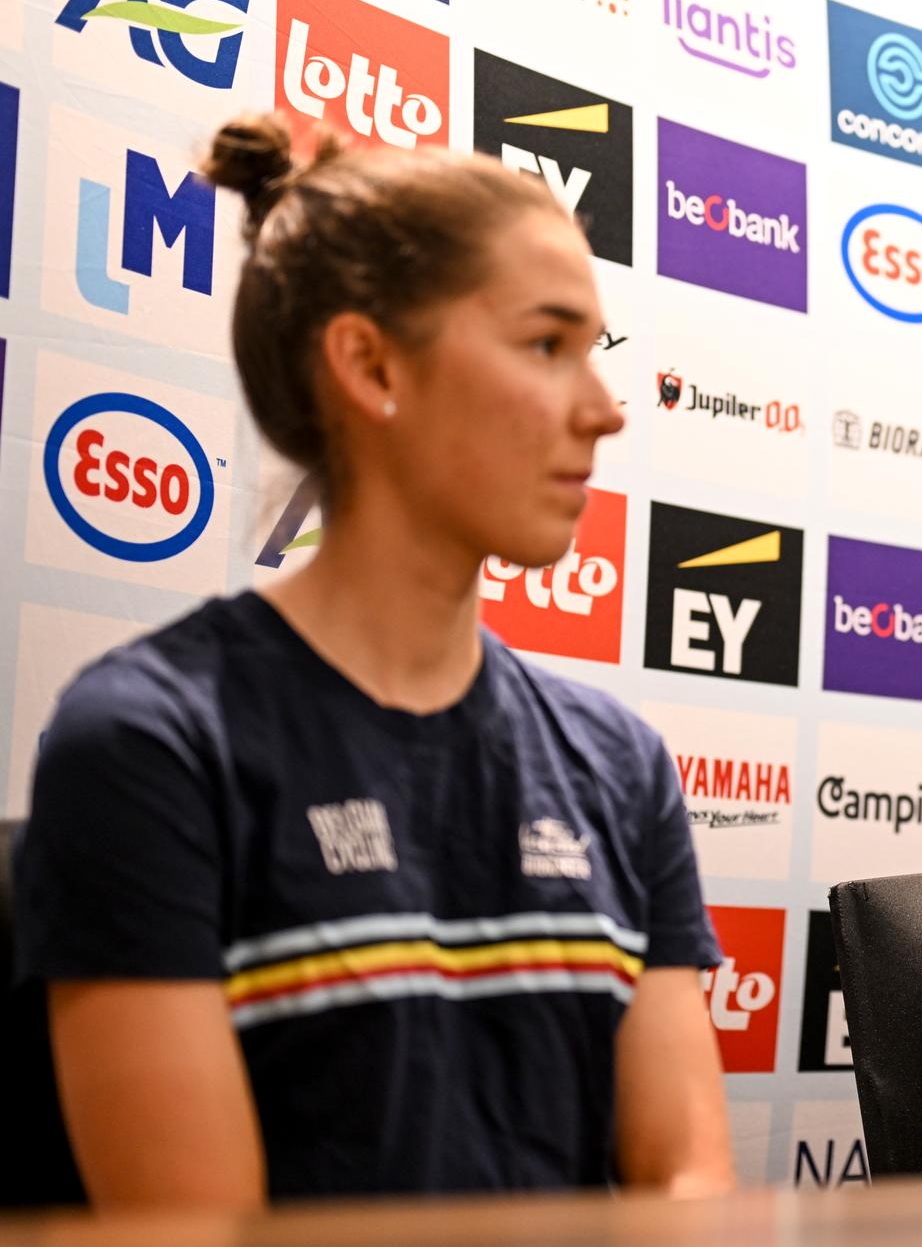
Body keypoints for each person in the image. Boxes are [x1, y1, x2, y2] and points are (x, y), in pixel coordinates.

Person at [12, 117, 733, 1206]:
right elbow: (198, 1231)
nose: (605, 409)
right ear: (371, 363)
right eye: (548, 345)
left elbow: (686, 1182)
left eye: (597, 351)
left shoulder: (620, 763)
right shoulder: (149, 741)